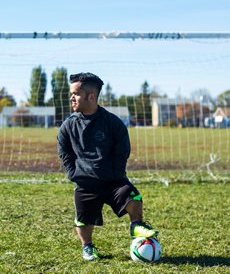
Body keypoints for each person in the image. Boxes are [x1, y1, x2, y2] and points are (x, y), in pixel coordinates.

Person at [57, 72, 159, 261]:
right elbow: (64, 152)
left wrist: (115, 173)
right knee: (82, 218)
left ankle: (136, 224)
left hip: (113, 181)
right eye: (71, 93)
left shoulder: (112, 123)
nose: (71, 97)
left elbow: (123, 150)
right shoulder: (68, 126)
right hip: (86, 183)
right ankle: (87, 247)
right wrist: (74, 174)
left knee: (133, 195)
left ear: (91, 96)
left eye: (76, 93)